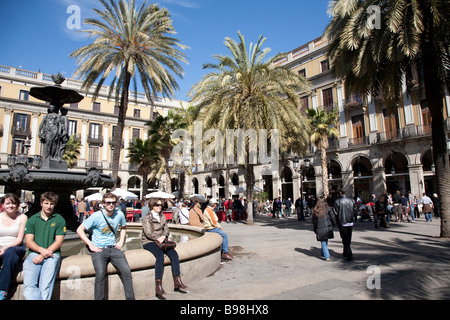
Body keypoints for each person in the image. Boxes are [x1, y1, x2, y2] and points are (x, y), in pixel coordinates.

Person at [76, 193, 135, 300]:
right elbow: (80, 230)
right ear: (103, 204)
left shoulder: (120, 214)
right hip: (99, 249)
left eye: (113, 203)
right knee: (100, 274)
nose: (111, 205)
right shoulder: (96, 216)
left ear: (116, 203)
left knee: (126, 271)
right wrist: (91, 245)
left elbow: (124, 227)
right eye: (108, 202)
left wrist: (121, 241)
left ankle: (130, 298)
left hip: (113, 248)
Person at [142, 198, 188, 299]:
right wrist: (159, 238)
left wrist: (163, 237)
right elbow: (148, 233)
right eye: (157, 205)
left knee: (174, 254)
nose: (160, 207)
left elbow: (166, 229)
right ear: (152, 206)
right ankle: (158, 284)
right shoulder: (147, 217)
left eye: (161, 205)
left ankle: (177, 280)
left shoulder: (162, 216)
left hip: (162, 241)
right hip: (149, 241)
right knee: (160, 255)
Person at [23, 192, 66, 300]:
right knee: (28, 286)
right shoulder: (32, 219)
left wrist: (43, 255)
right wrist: (41, 251)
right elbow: (29, 241)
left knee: (45, 286)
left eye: (51, 204)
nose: (48, 206)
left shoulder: (59, 219)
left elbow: (59, 241)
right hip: (33, 254)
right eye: (46, 203)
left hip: (52, 255)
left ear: (54, 204)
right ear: (41, 203)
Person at [0, 194, 28, 300]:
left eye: (13, 203)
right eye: (7, 203)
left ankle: (2, 289)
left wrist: (5, 249)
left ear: (17, 205)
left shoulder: (22, 217)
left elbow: (19, 240)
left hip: (15, 247)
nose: (10, 206)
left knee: (10, 253)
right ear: (3, 205)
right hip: (0, 246)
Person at [332, 189, 355, 261]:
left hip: (342, 221)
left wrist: (335, 221)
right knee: (348, 237)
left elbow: (335, 212)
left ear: (340, 193)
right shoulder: (351, 200)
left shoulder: (337, 201)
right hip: (350, 221)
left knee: (344, 238)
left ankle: (349, 254)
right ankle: (345, 252)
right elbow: (354, 210)